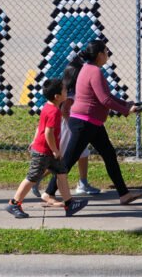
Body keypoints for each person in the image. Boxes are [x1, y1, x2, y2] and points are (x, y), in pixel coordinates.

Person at [41, 40, 142, 206]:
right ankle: (48, 193)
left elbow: (106, 96)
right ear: (99, 55)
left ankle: (124, 194)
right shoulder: (94, 71)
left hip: (92, 123)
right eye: (106, 51)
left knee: (109, 156)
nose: (108, 55)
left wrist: (126, 104)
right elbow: (105, 99)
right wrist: (126, 110)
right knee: (68, 160)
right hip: (84, 123)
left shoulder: (88, 69)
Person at [5, 78, 88, 218]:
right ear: (57, 96)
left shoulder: (48, 106)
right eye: (64, 90)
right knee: (32, 177)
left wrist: (34, 139)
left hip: (48, 150)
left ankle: (69, 204)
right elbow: (48, 132)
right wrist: (55, 150)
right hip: (44, 152)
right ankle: (14, 203)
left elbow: (40, 127)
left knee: (62, 173)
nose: (66, 91)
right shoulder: (54, 112)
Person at [31, 56, 101, 197]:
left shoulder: (68, 88)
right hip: (68, 129)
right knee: (62, 159)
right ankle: (37, 179)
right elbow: (64, 111)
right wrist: (73, 128)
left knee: (82, 154)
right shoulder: (70, 92)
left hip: (70, 127)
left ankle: (83, 182)